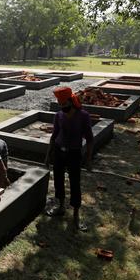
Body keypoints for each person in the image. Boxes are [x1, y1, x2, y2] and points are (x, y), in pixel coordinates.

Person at [44, 87, 93, 232]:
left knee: (75, 182)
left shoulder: (83, 116)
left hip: (74, 153)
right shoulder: (59, 115)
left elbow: (90, 139)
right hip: (59, 151)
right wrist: (48, 155)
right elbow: (54, 136)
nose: (62, 107)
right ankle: (60, 206)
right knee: (58, 179)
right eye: (60, 105)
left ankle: (76, 215)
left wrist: (88, 159)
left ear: (71, 102)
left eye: (65, 104)